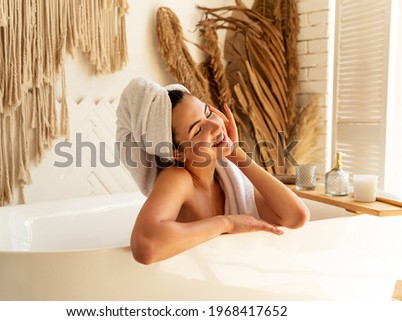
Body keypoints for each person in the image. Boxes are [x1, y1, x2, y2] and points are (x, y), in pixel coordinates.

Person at [118, 79, 310, 265]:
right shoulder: (178, 178)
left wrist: (235, 152)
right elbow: (146, 246)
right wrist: (227, 223)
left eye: (208, 113)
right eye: (198, 129)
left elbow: (296, 216)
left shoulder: (227, 177)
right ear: (177, 153)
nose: (216, 126)